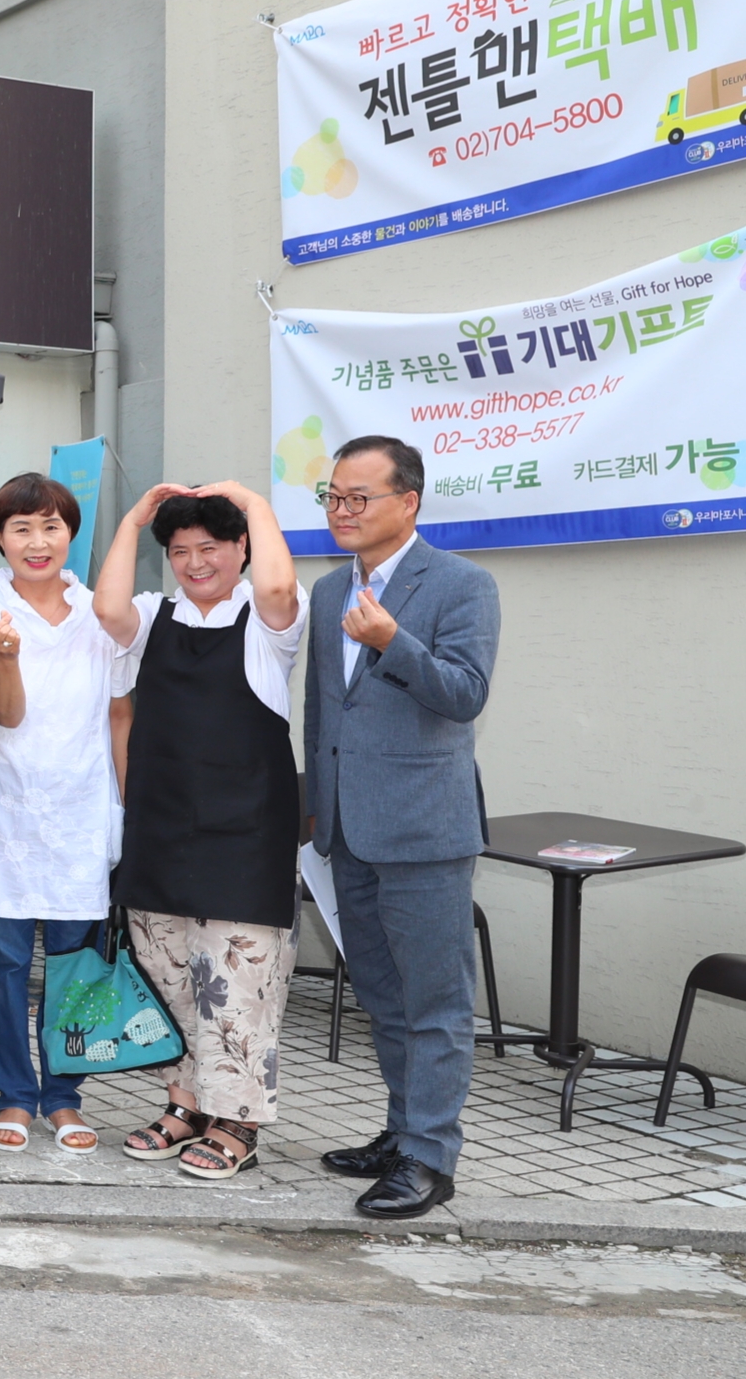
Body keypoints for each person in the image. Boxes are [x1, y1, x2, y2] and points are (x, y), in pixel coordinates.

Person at [303, 435, 499, 1222]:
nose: (341, 511)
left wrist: (392, 641)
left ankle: (430, 1157)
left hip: (423, 830)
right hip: (347, 827)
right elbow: (323, 710)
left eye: (358, 498)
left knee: (435, 1003)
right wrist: (316, 804)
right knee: (382, 996)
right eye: (332, 497)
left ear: (407, 502)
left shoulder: (461, 584)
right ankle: (400, 1130)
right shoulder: (328, 591)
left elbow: (464, 693)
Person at [92, 479, 304, 1182]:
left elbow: (278, 588)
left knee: (238, 984)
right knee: (170, 979)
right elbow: (107, 608)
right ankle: (185, 1102)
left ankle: (237, 1120)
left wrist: (255, 505)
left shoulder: (268, 624)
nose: (194, 563)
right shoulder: (154, 616)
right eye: (180, 551)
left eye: (209, 547)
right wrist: (133, 520)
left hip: (245, 836)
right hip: (159, 829)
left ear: (241, 549)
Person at [0, 473, 130, 1153]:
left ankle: (64, 1098)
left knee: (74, 965)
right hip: (3, 816)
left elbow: (120, 717)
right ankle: (12, 1094)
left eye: (51, 527)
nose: (37, 542)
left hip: (81, 812)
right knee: (3, 966)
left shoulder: (103, 616)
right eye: (21, 529)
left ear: (71, 534)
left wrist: (124, 809)